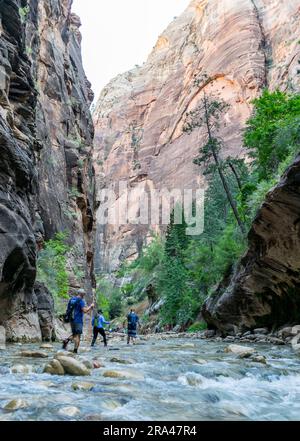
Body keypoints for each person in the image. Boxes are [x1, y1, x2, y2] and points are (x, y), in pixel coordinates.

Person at [62, 289, 94, 354]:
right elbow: (84, 310)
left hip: (71, 319)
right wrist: (91, 306)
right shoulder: (81, 301)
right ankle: (75, 350)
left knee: (74, 334)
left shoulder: (71, 299)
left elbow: (68, 309)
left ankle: (66, 340)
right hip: (78, 320)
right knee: (77, 335)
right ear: (83, 295)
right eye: (84, 294)